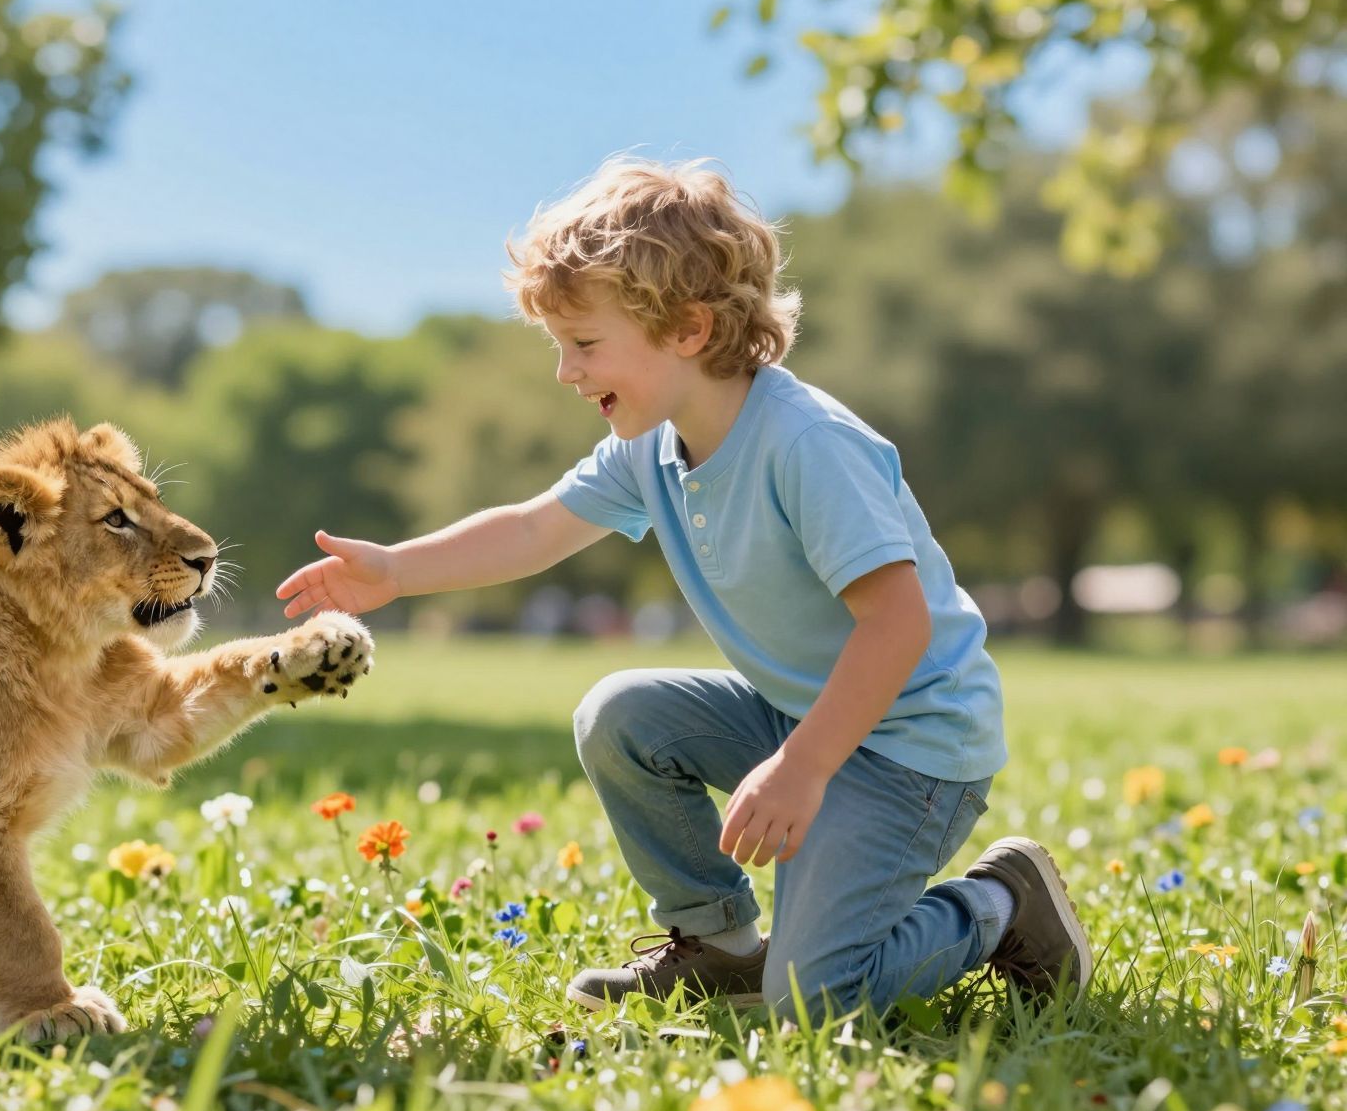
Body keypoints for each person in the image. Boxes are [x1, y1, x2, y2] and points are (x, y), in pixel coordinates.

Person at [274, 158, 1090, 1023]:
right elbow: (534, 530)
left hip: (912, 748)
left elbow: (898, 623)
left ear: (690, 330)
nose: (566, 372)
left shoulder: (806, 445)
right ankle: (721, 945)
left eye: (585, 345)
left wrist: (803, 768)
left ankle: (1002, 902)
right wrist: (398, 569)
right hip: (801, 719)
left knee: (817, 1002)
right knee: (621, 715)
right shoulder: (650, 446)